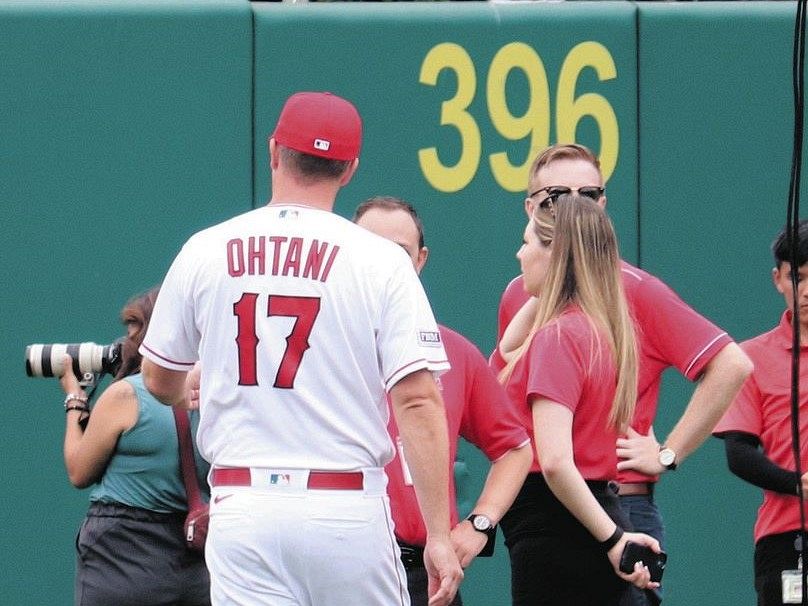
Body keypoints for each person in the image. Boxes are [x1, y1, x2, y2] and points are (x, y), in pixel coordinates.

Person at [139, 91, 463, 606]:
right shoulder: (382, 260)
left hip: (245, 508)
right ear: (350, 169)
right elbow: (419, 401)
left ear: (273, 152)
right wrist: (440, 536)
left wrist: (188, 384)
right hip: (346, 509)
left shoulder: (207, 248)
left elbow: (157, 380)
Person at [493, 143, 752, 606]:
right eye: (556, 197)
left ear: (603, 206)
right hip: (545, 509)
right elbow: (508, 379)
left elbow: (731, 364)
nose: (575, 206)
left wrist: (668, 454)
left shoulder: (630, 292)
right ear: (532, 207)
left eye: (588, 195)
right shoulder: (528, 299)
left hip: (609, 501)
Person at [353, 196, 533, 606]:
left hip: (425, 574)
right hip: (342, 569)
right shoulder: (320, 347)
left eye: (397, 253)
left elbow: (514, 449)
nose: (382, 264)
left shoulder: (451, 352)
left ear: (420, 260)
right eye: (369, 249)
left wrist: (479, 523)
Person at [497, 194, 661, 605]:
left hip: (558, 531)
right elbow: (508, 345)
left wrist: (614, 539)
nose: (519, 253)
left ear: (556, 255)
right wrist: (614, 533)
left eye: (529, 242)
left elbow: (554, 460)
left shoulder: (560, 336)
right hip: (585, 518)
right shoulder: (591, 332)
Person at [57, 286, 211, 606]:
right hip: (197, 563)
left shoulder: (127, 394)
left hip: (122, 553)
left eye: (134, 335)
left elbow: (79, 471)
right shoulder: (214, 394)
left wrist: (75, 400)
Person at [713, 220, 808, 606]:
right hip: (785, 540)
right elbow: (738, 453)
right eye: (798, 277)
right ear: (778, 279)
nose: (807, 291)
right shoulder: (751, 357)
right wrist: (798, 484)